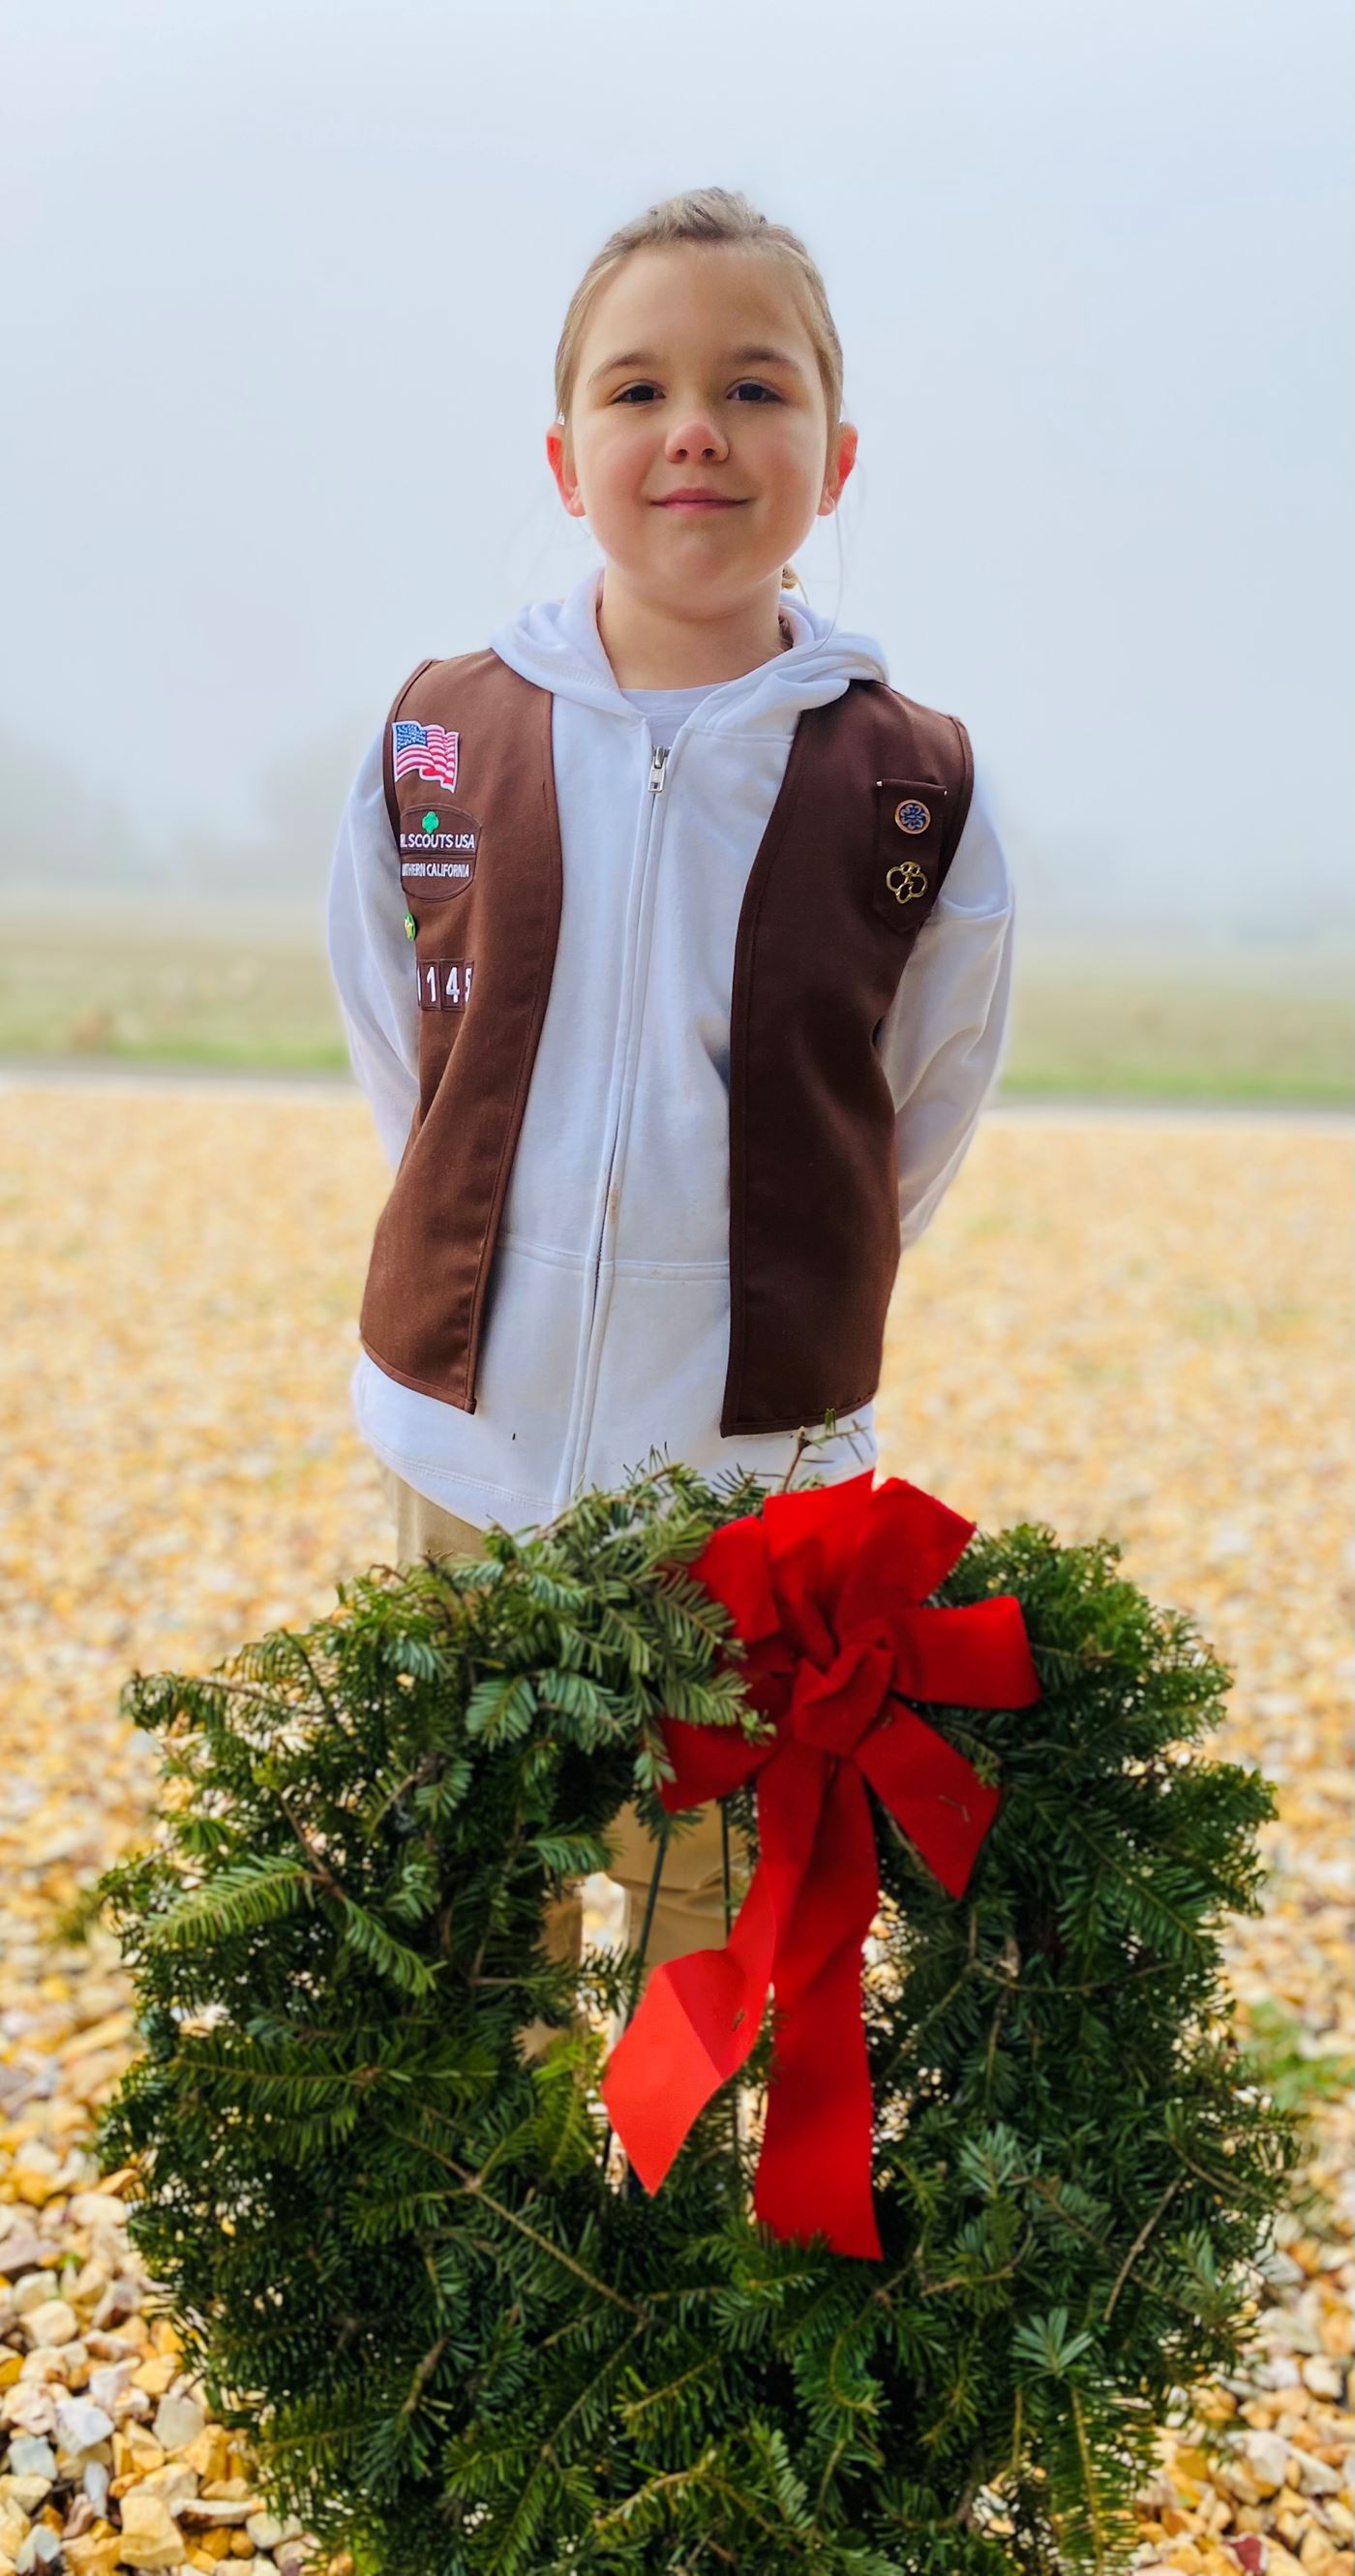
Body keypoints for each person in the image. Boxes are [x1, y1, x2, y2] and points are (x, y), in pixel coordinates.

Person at [325, 185, 1016, 2007]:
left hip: (748, 1474)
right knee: (479, 1907)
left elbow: (916, 1105)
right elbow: (406, 1044)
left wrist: (765, 1280)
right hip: (467, 1438)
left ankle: (686, 2230)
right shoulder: (443, 733)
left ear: (835, 456)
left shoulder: (911, 786)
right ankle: (497, 2231)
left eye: (753, 388)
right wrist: (505, 1239)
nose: (694, 427)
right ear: (567, 459)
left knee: (715, 1895)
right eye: (637, 391)